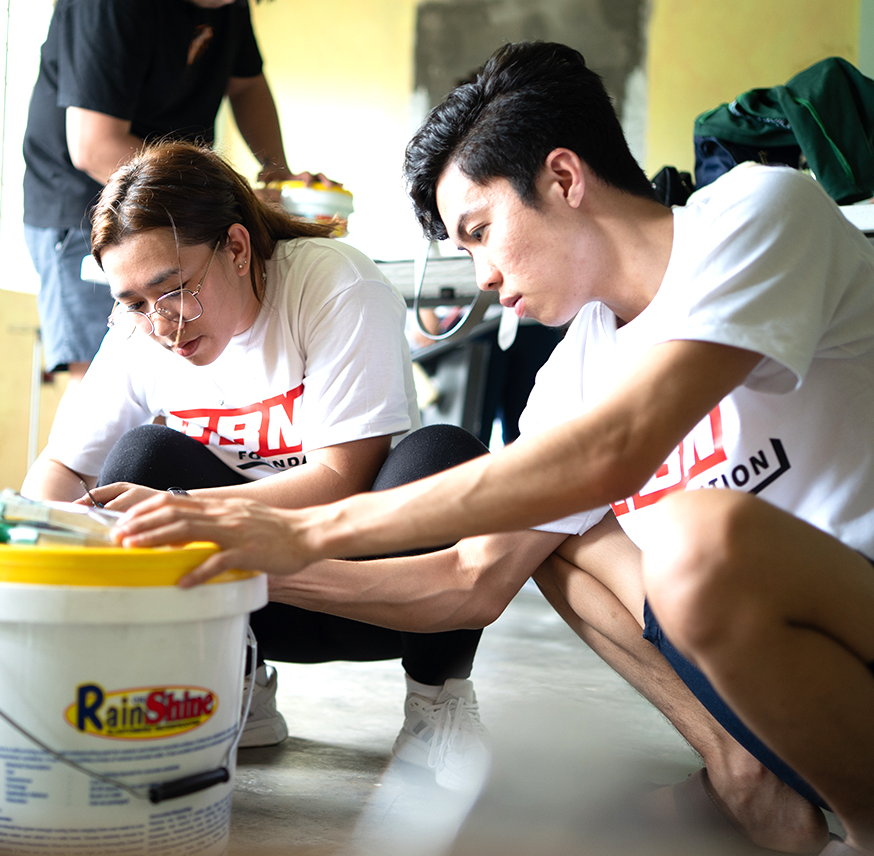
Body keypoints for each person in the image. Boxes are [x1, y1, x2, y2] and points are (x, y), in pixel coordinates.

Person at [110, 42, 874, 855]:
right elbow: (469, 581)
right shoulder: (576, 366)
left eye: (478, 232)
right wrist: (238, 563)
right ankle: (747, 776)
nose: (479, 275)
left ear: (564, 179)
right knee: (559, 538)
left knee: (690, 537)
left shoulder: (760, 212)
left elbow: (616, 451)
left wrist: (304, 529)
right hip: (775, 662)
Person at [21, 141, 490, 789]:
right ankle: (231, 684)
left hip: (367, 589)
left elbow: (339, 480)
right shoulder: (141, 333)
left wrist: (183, 515)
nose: (161, 325)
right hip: (243, 601)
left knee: (445, 461)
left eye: (174, 290)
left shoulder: (333, 283)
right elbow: (60, 468)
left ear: (237, 249)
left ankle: (437, 705)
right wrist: (31, 550)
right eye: (132, 302)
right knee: (141, 458)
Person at [22, 0, 320, 381]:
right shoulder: (106, 8)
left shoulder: (228, 6)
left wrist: (279, 176)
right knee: (106, 383)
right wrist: (228, 195)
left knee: (182, 387)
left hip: (178, 208)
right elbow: (94, 147)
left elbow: (246, 86)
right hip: (87, 207)